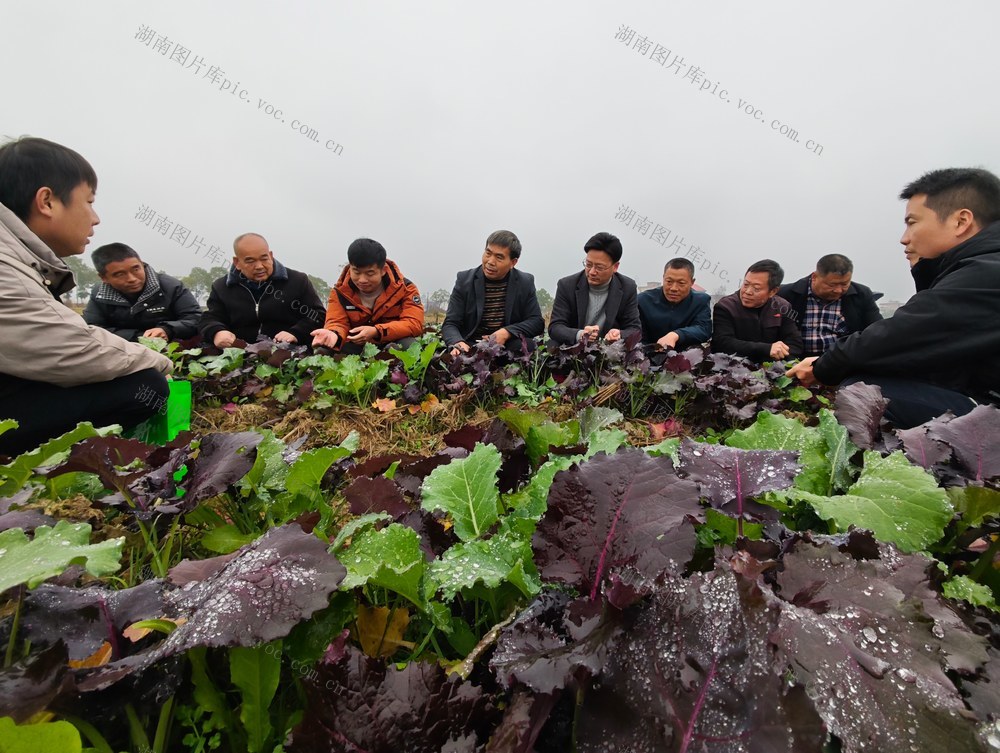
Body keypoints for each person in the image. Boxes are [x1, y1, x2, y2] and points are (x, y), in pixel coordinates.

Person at [787, 167, 1000, 428]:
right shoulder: (983, 266)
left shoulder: (986, 273)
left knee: (862, 391)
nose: (904, 238)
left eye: (912, 222)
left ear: (961, 221)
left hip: (990, 407)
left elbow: (899, 336)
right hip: (981, 393)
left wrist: (823, 367)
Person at [0, 137, 172, 456]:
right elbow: (72, 344)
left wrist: (171, 331)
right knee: (145, 386)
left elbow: (194, 319)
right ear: (47, 201)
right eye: (89, 201)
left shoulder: (169, 286)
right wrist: (155, 358)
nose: (95, 218)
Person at [198, 232, 324, 348]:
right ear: (237, 262)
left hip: (287, 353)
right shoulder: (221, 287)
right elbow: (210, 318)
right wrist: (217, 332)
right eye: (250, 261)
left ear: (271, 255)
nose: (259, 266)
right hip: (238, 355)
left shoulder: (298, 281)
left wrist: (296, 333)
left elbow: (318, 315)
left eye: (264, 258)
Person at [311, 238, 424, 354]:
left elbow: (414, 324)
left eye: (370, 273)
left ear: (383, 270)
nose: (362, 280)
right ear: (350, 268)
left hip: (392, 343)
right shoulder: (340, 292)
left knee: (410, 347)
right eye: (356, 272)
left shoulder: (406, 288)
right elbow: (337, 322)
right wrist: (334, 334)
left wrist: (377, 331)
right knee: (325, 350)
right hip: (357, 346)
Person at [441, 230, 544, 355]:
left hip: (506, 345)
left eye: (499, 257)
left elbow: (536, 321)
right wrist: (457, 342)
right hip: (472, 344)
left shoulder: (525, 282)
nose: (490, 261)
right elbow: (451, 323)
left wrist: (506, 332)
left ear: (513, 262)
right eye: (488, 253)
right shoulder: (464, 280)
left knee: (528, 346)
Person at [83, 242, 201, 342]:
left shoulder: (171, 287)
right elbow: (92, 330)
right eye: (120, 274)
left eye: (136, 269)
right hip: (123, 351)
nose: (132, 279)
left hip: (170, 349)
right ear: (104, 278)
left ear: (142, 264)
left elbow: (195, 318)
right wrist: (140, 337)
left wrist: (167, 330)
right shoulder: (99, 295)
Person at [778, 254, 882, 357]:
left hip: (841, 361)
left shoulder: (861, 294)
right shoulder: (787, 294)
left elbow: (877, 330)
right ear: (814, 277)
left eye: (844, 284)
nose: (838, 290)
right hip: (796, 361)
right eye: (832, 285)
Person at [548, 232, 641, 346]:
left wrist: (619, 334)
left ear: (615, 267)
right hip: (574, 349)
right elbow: (555, 327)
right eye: (588, 264)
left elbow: (635, 329)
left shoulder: (628, 287)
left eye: (599, 267)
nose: (592, 272)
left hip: (609, 350)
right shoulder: (567, 285)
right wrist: (580, 334)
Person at [711, 259, 803, 363]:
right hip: (734, 367)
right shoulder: (726, 306)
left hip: (773, 368)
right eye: (746, 284)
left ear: (773, 291)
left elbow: (795, 344)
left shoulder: (782, 307)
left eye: (756, 288)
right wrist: (766, 349)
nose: (748, 292)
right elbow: (723, 343)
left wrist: (776, 358)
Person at [637, 257, 712, 350]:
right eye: (669, 281)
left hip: (687, 357)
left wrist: (677, 335)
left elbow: (703, 329)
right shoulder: (643, 300)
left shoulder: (700, 300)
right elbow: (637, 333)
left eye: (681, 283)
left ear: (692, 282)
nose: (674, 288)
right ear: (663, 278)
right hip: (649, 355)